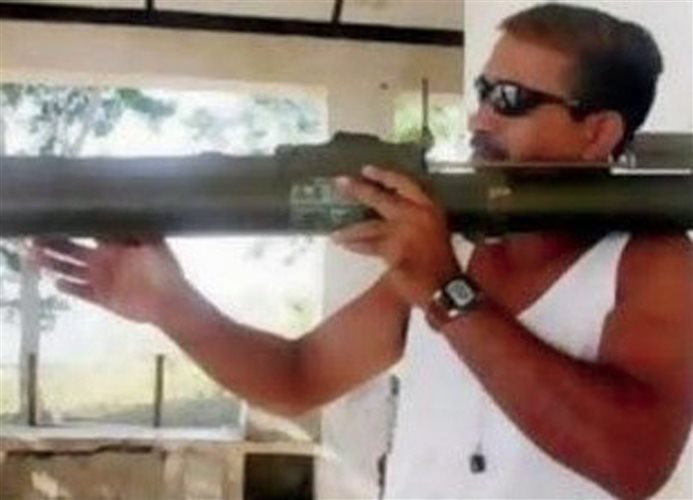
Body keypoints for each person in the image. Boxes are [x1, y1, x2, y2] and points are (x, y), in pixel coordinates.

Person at [34, 3, 691, 499]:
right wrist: (169, 305)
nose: (479, 118)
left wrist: (446, 293)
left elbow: (631, 462)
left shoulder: (650, 262)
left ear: (596, 132)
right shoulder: (454, 248)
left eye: (510, 100)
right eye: (483, 91)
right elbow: (298, 377)